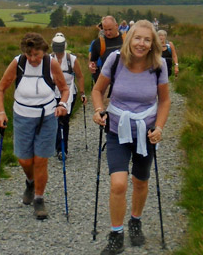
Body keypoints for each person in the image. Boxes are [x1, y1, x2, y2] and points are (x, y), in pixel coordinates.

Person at [92, 20, 170, 254]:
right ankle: (116, 233)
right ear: (129, 38)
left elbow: (164, 100)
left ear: (153, 43)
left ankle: (135, 221)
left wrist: (159, 128)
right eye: (138, 38)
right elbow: (97, 90)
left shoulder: (158, 65)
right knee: (118, 184)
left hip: (146, 132)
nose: (141, 43)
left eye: (147, 40)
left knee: (140, 181)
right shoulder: (115, 60)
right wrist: (98, 111)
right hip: (116, 129)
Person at [0, 32, 70, 220]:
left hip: (47, 116)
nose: (33, 59)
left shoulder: (50, 63)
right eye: (30, 55)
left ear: (43, 51)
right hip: (22, 116)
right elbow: (0, 88)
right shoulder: (18, 63)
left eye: (37, 55)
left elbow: (65, 89)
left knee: (40, 160)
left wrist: (62, 104)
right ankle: (30, 181)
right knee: (24, 160)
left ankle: (39, 198)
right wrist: (1, 112)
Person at [50, 32, 88, 160]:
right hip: (52, 94)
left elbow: (80, 76)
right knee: (55, 120)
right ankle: (57, 147)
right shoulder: (49, 59)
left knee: (64, 120)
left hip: (69, 93)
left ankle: (62, 149)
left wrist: (82, 93)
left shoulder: (72, 60)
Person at [89, 15, 125, 83]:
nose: (108, 33)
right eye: (105, 30)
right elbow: (93, 61)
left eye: (110, 29)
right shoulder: (98, 43)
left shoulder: (126, 39)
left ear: (116, 26)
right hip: (107, 83)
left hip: (125, 81)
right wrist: (91, 66)